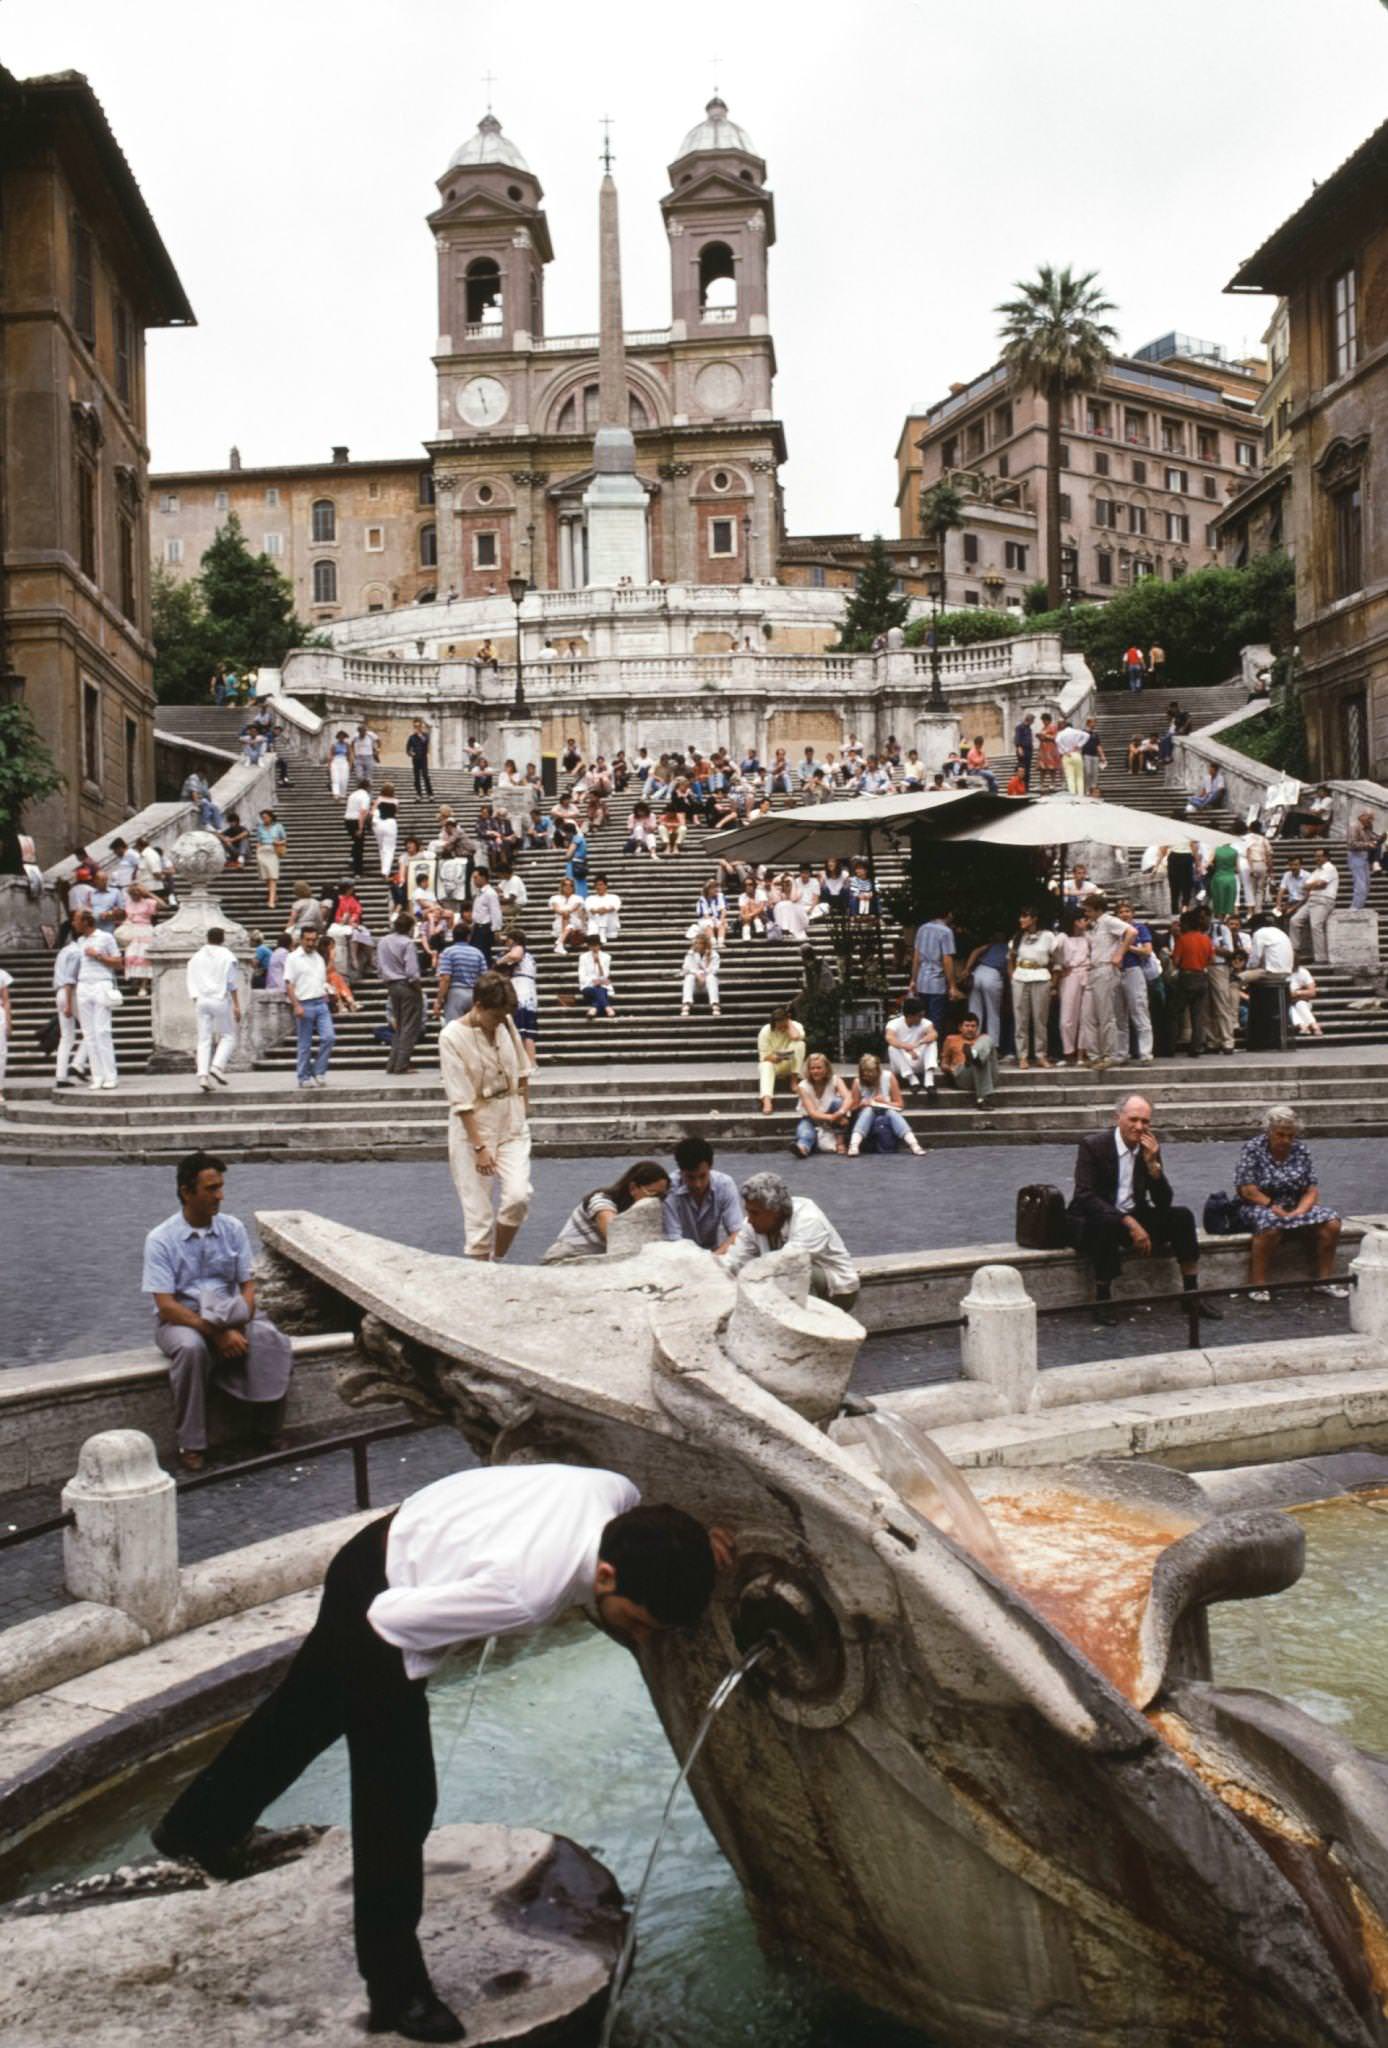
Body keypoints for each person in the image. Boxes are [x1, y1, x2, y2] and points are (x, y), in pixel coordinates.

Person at [153, 1463, 723, 2045]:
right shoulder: (527, 1594)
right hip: (381, 1602)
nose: (645, 1637)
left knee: (303, 1715)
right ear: (605, 1575)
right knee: (399, 1804)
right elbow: (388, 1621)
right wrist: (394, 1698)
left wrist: (698, 1547)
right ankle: (397, 1992)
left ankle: (197, 1826)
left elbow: (652, 1522)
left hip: (380, 1544)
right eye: (643, 1622)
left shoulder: (614, 1492)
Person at [141, 1151, 293, 1473]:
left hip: (229, 1311)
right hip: (182, 1318)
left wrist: (242, 1317)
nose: (219, 1196)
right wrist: (216, 1332)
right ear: (186, 1191)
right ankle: (192, 1443)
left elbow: (248, 1285)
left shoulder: (232, 1229)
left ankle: (269, 1426)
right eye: (210, 1189)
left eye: (221, 1187)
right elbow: (166, 1305)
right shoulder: (160, 1239)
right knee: (192, 1349)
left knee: (270, 1337)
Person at [1068, 1095, 1219, 1328]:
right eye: (1133, 1119)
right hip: (1098, 1217)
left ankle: (1191, 1293)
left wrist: (1153, 1167)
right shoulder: (1094, 1145)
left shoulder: (1149, 1147)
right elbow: (1085, 1195)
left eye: (1145, 1121)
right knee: (1106, 1225)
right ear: (1118, 1118)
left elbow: (1164, 1201)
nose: (1139, 1127)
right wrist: (1128, 1222)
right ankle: (1103, 1297)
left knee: (1182, 1216)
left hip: (1134, 1212)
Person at [439, 970, 533, 1261]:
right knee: (478, 1214)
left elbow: (523, 1070)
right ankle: (481, 1273)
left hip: (511, 1121)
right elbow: (460, 1098)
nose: (500, 1022)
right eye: (495, 1016)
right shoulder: (451, 1036)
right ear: (478, 1006)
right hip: (474, 1128)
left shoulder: (505, 1022)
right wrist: (480, 1147)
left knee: (519, 1196)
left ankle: (498, 1261)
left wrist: (523, 1111)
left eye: (505, 1016)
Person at [1233, 1106, 1344, 1302]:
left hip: (1294, 1204)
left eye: (1290, 1135)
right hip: (1259, 1204)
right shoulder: (1253, 1148)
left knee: (1332, 1223)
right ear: (1269, 1132)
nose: (1286, 1140)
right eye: (1280, 1135)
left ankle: (1324, 1280)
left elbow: (1311, 1189)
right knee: (1270, 1225)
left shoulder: (1300, 1150)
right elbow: (1247, 1190)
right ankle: (1258, 1283)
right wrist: (1273, 1206)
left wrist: (1299, 1211)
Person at [723, 1172, 860, 1312]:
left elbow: (786, 1263)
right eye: (748, 1212)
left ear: (775, 1211)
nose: (750, 1219)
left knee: (792, 1273)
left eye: (755, 1213)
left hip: (838, 1290)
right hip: (782, 1276)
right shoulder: (751, 1224)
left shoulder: (808, 1219)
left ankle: (806, 1326)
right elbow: (734, 1261)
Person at [541, 1160, 672, 1263]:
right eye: (652, 1194)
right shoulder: (601, 1202)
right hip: (567, 1260)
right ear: (633, 1188)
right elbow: (616, 1238)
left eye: (662, 1196)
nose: (657, 1201)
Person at [662, 1136, 744, 1252]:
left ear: (710, 1167)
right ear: (681, 1171)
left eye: (702, 1176)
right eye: (690, 1177)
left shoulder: (725, 1184)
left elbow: (738, 1233)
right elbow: (674, 1242)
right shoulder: (669, 1189)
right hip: (680, 1258)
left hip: (714, 1254)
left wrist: (714, 1258)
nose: (698, 1184)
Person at [1082, 893, 1135, 1071]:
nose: (1086, 913)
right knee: (1088, 1015)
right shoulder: (1096, 925)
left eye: (1089, 910)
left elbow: (1131, 931)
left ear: (1097, 909)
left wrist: (1119, 953)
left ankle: (1109, 1054)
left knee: (1106, 1015)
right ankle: (1095, 1054)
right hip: (1094, 969)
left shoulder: (1108, 920)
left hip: (1106, 968)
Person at [187, 927, 241, 1094]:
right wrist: (236, 1005)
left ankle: (202, 1075)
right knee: (228, 1036)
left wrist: (196, 997)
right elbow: (231, 983)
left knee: (203, 1039)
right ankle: (217, 1066)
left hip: (201, 999)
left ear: (207, 938)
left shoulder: (196, 957)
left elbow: (190, 977)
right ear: (223, 939)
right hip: (219, 998)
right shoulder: (227, 956)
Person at [76, 908, 122, 1091]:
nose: (74, 923)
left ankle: (111, 1076)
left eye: (76, 920)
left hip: (101, 984)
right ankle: (97, 1076)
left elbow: (118, 963)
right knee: (89, 1034)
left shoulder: (105, 937)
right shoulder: (80, 941)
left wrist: (98, 955)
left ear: (86, 922)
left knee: (102, 1031)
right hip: (83, 985)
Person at [847, 1054, 926, 1157]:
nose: (868, 1075)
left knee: (891, 1112)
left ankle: (914, 1144)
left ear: (877, 1070)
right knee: (869, 1110)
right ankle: (854, 1144)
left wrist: (885, 1102)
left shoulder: (888, 1077)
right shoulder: (857, 1082)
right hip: (866, 1117)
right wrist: (861, 1104)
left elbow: (900, 1104)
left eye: (871, 1072)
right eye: (865, 1073)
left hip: (885, 1113)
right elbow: (852, 1108)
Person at [285, 928, 335, 1089]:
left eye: (313, 940)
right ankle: (303, 1076)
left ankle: (318, 1071)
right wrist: (296, 1005)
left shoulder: (318, 958)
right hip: (304, 1003)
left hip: (321, 1002)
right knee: (304, 1044)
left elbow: (321, 979)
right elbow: (289, 984)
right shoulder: (292, 958)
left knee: (329, 1037)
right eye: (307, 940)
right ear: (301, 939)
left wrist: (326, 991)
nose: (311, 943)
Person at [1009, 909, 1058, 1069]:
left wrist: (1054, 983)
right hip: (1020, 976)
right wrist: (1012, 977)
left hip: (1041, 976)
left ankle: (1040, 1054)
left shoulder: (1048, 936)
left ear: (1034, 919)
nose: (1021, 919)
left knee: (1040, 1019)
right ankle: (1022, 1056)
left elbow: (1057, 960)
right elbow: (1010, 958)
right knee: (1020, 1018)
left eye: (1025, 916)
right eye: (1021, 916)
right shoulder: (1017, 937)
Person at [377, 912, 425, 1074]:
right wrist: (419, 989)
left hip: (392, 985)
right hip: (406, 985)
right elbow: (412, 972)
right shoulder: (407, 943)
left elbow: (379, 966)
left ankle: (393, 1062)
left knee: (399, 1026)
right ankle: (401, 1064)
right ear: (410, 928)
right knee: (410, 1026)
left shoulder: (383, 941)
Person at [1166, 908, 1213, 1058]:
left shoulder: (1183, 939)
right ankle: (1196, 1047)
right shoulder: (1206, 939)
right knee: (1198, 1015)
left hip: (1186, 977)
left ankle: (1170, 1045)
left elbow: (1177, 960)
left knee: (1174, 1012)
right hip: (1202, 976)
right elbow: (1210, 960)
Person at [1114, 898, 1155, 1064]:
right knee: (1118, 1015)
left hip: (1133, 970)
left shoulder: (1139, 928)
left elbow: (1147, 950)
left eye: (1127, 911)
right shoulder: (1113, 930)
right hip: (1116, 972)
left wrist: (1127, 946)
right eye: (1121, 912)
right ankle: (1121, 1053)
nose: (1124, 914)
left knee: (1139, 1010)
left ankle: (1145, 1053)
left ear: (1132, 913)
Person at [793, 1052, 852, 1157]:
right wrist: (834, 1117)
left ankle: (840, 1142)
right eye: (812, 1068)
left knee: (838, 1102)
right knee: (805, 1133)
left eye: (819, 1068)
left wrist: (840, 1112)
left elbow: (848, 1098)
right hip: (812, 1119)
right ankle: (802, 1149)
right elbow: (812, 1113)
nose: (815, 1071)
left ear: (826, 1069)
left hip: (833, 1119)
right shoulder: (802, 1086)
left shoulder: (835, 1080)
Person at [911, 909, 958, 1037]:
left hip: (921, 981)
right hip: (937, 983)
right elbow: (947, 959)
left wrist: (913, 980)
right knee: (936, 1021)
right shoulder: (946, 931)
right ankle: (934, 1051)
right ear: (949, 914)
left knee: (921, 1020)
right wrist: (953, 986)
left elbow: (916, 957)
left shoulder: (922, 929)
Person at [939, 1012, 999, 1108]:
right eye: (967, 1026)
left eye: (973, 1026)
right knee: (977, 1062)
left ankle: (974, 1053)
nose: (970, 1029)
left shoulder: (982, 1039)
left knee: (986, 1040)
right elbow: (943, 1064)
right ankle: (983, 1098)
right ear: (960, 1028)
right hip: (964, 1075)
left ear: (977, 1028)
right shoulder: (951, 1039)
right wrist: (951, 1069)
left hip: (989, 1076)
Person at [1055, 909, 1091, 1065]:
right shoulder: (1063, 937)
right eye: (1083, 919)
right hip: (1070, 976)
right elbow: (1052, 951)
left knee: (1086, 1015)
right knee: (1067, 1017)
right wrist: (1060, 967)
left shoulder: (1087, 937)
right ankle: (1068, 1052)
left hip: (1088, 974)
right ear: (1075, 921)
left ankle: (1082, 1053)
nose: (1086, 922)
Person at [884, 995, 939, 1096]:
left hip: (918, 1058)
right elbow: (890, 1038)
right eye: (919, 1016)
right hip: (902, 1062)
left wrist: (919, 1043)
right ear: (909, 1016)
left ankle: (929, 1082)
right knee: (892, 1048)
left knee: (932, 1043)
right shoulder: (893, 1023)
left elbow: (933, 1034)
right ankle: (912, 1080)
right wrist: (907, 1047)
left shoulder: (925, 1022)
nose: (921, 1018)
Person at [1290, 853, 1338, 963]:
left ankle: (1321, 958)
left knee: (1316, 926)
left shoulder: (1330, 868)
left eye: (1320, 856)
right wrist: (1312, 885)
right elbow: (1307, 884)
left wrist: (1310, 885)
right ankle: (1295, 951)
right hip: (1311, 900)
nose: (1317, 858)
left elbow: (1321, 884)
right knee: (1294, 921)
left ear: (1326, 857)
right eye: (1316, 856)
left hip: (1323, 899)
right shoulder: (1317, 871)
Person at [756, 1006, 806, 1114]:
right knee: (765, 1065)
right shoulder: (765, 1031)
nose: (782, 1029)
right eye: (779, 1027)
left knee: (800, 1044)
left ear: (788, 1019)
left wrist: (788, 1025)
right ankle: (767, 1100)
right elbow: (763, 1056)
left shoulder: (796, 1026)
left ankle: (794, 1081)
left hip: (791, 1064)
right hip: (775, 1064)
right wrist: (773, 1058)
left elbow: (797, 1036)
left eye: (784, 1025)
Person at [962, 930, 1009, 1044]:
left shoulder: (990, 946)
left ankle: (972, 1042)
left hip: (978, 972)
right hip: (993, 974)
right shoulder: (1009, 947)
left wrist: (967, 969)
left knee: (974, 1010)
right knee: (993, 1012)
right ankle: (992, 1045)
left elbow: (975, 952)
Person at [434, 923, 486, 1024]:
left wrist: (439, 1000)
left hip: (455, 994)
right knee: (473, 1029)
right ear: (468, 937)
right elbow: (484, 978)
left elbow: (445, 978)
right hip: (474, 994)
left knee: (455, 1030)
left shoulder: (448, 952)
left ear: (453, 936)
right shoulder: (478, 953)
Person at [681, 930, 721, 1016]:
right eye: (697, 943)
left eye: (700, 943)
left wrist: (707, 961)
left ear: (705, 944)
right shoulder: (690, 954)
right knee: (689, 977)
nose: (698, 945)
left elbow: (714, 970)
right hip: (694, 985)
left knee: (711, 977)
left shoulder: (714, 955)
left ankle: (715, 1005)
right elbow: (686, 968)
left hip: (708, 985)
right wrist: (697, 974)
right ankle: (686, 1004)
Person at [577, 933, 617, 1020]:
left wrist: (598, 963)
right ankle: (607, 1007)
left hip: (603, 985)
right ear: (589, 946)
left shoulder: (606, 957)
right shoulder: (583, 957)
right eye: (592, 946)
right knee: (600, 990)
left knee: (601, 989)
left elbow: (605, 975)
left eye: (596, 945)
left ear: (599, 945)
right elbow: (582, 976)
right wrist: (594, 981)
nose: (594, 948)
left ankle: (594, 1009)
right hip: (588, 987)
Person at [549, 874, 587, 955]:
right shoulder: (555, 898)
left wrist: (564, 911)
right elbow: (556, 909)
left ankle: (560, 943)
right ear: (562, 887)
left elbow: (574, 908)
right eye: (565, 885)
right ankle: (560, 943)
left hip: (575, 923)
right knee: (566, 918)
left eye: (570, 885)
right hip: (559, 924)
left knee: (570, 923)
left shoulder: (578, 898)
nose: (568, 887)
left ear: (573, 887)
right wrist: (565, 912)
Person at [1348, 811, 1378, 911]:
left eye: (1372, 819)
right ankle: (1355, 907)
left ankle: (1359, 906)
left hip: (1364, 857)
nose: (1371, 820)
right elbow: (1352, 844)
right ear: (1362, 816)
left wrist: (1381, 837)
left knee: (1367, 884)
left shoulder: (1367, 827)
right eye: (1369, 818)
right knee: (1360, 885)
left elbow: (1373, 837)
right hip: (1356, 856)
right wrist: (1367, 845)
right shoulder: (1354, 826)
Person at [585, 875, 623, 945]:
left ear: (606, 886)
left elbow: (615, 907)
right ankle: (601, 933)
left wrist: (605, 910)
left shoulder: (614, 897)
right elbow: (591, 910)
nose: (599, 887)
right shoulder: (589, 899)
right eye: (597, 885)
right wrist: (599, 911)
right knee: (601, 914)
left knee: (605, 913)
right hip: (595, 927)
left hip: (610, 926)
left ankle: (602, 932)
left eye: (601, 885)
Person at [344, 782, 371, 877]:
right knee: (359, 846)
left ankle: (352, 857)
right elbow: (363, 812)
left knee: (356, 842)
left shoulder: (352, 794)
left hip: (347, 820)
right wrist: (360, 828)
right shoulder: (365, 796)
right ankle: (358, 871)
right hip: (356, 821)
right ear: (367, 787)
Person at [1288, 964, 1322, 1036]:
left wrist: (1297, 993)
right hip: (1287, 1002)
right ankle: (1303, 1026)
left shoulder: (1302, 972)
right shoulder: (1279, 972)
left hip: (1302, 1001)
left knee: (1300, 1004)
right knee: (1289, 1007)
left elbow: (1312, 992)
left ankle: (1314, 1025)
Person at [1056, 720, 1088, 796]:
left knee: (1070, 777)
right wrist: (1079, 745)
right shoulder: (1076, 731)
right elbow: (1087, 735)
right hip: (1076, 754)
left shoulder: (1061, 733)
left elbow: (1057, 741)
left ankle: (1072, 794)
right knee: (1079, 776)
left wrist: (1065, 750)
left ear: (1064, 726)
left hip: (1067, 755)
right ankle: (1080, 795)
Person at [406, 720, 434, 800]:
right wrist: (411, 753)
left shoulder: (425, 735)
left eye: (418, 726)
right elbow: (407, 750)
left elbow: (426, 742)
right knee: (416, 777)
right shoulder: (411, 737)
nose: (417, 728)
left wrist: (420, 735)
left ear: (421, 727)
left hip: (423, 759)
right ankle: (419, 794)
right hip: (415, 759)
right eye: (415, 726)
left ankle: (430, 794)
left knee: (425, 776)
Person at [1080, 718, 1107, 796]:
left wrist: (1102, 756)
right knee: (1087, 772)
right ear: (1088, 723)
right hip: (1086, 755)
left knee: (1095, 773)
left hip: (1095, 756)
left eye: (1095, 723)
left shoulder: (1095, 734)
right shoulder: (1082, 733)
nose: (1095, 724)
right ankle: (1087, 789)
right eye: (1093, 723)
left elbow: (1098, 746)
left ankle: (1093, 789)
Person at [328, 729, 352, 800]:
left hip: (344, 761)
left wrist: (350, 764)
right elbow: (330, 755)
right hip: (336, 761)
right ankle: (336, 793)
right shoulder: (334, 745)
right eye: (340, 736)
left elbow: (350, 755)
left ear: (344, 737)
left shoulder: (347, 745)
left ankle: (342, 793)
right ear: (338, 737)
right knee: (335, 778)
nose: (341, 738)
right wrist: (329, 764)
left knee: (344, 778)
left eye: (343, 736)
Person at [1013, 714, 1034, 790]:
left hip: (1029, 751)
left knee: (1027, 770)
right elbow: (1017, 738)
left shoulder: (1029, 729)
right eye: (1032, 721)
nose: (1032, 722)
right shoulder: (1019, 727)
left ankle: (1026, 788)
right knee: (1021, 769)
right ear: (1029, 720)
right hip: (1022, 750)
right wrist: (1019, 747)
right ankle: (1018, 786)